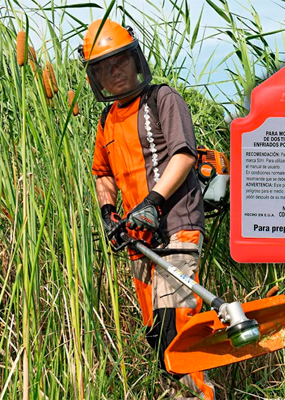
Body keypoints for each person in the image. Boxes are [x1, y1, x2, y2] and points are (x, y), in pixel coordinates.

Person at [79, 19, 215, 399]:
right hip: (138, 240)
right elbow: (102, 174)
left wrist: (153, 203)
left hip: (176, 227)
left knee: (177, 329)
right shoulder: (106, 120)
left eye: (120, 61)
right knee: (157, 337)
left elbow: (184, 155)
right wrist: (109, 212)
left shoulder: (162, 99)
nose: (115, 71)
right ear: (96, 77)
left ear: (135, 60)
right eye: (104, 67)